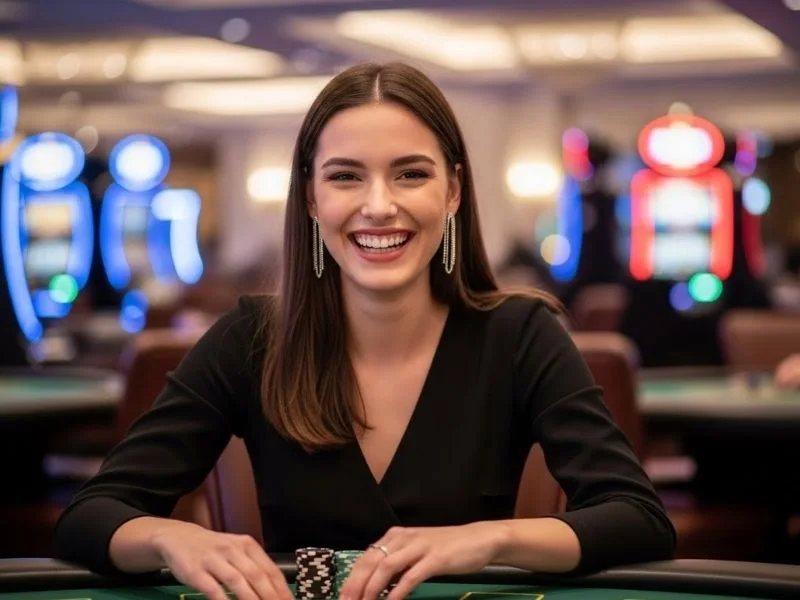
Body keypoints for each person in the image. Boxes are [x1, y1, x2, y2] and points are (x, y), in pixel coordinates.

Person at [54, 62, 675, 600]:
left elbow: (637, 517)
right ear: (311, 197)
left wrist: (488, 540)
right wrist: (172, 536)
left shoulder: (519, 334)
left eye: (411, 174)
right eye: (346, 176)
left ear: (453, 190)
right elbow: (92, 515)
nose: (378, 205)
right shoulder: (251, 339)